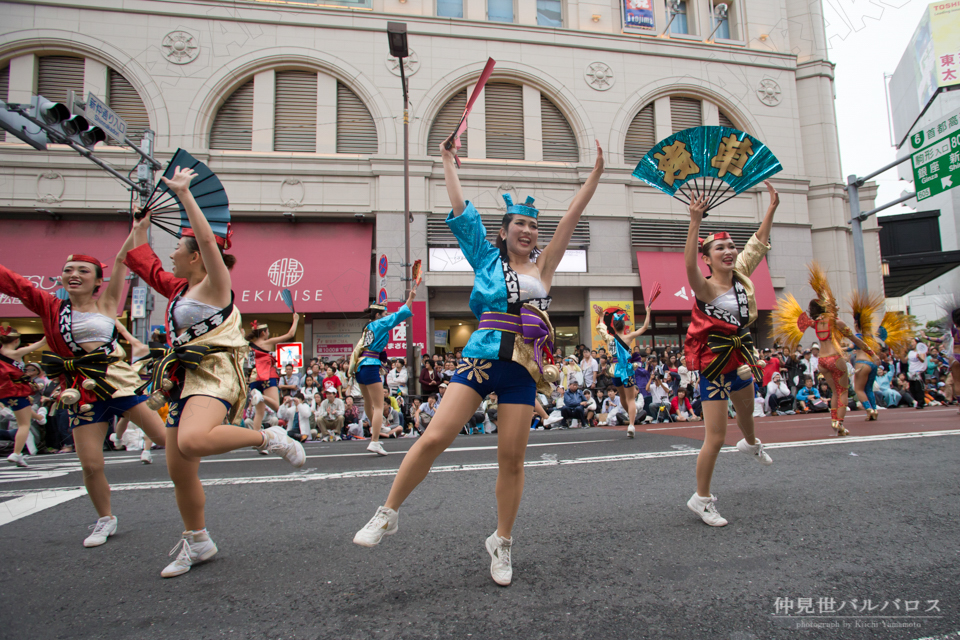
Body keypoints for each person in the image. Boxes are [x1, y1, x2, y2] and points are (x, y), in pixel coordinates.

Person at [353, 137, 605, 587]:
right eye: (519, 224)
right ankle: (387, 512)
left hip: (522, 373)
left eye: (532, 225)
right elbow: (461, 209)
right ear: (504, 230)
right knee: (435, 437)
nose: (527, 231)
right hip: (480, 361)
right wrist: (449, 162)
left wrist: (597, 175)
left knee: (511, 460)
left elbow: (572, 216)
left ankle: (502, 542)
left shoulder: (543, 268)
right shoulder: (486, 258)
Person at [122, 167, 304, 577]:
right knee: (179, 468)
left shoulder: (216, 286)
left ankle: (268, 436)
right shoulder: (179, 290)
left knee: (193, 440)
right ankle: (198, 539)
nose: (171, 255)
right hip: (180, 379)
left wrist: (186, 196)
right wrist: (139, 227)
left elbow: (207, 239)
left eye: (177, 249)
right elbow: (146, 264)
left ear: (196, 258)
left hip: (214, 373)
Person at [1, 242, 169, 546]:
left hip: (116, 384)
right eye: (68, 270)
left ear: (97, 281)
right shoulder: (50, 306)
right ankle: (105, 518)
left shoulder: (107, 305)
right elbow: (17, 285)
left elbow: (121, 259)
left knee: (165, 439)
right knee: (91, 464)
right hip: (80, 392)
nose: (73, 274)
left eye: (82, 270)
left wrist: (140, 226)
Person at [683, 181, 780, 528]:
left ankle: (751, 443)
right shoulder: (705, 286)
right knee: (717, 436)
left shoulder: (741, 277)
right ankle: (702, 499)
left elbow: (758, 244)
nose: (728, 251)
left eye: (730, 246)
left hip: (742, 358)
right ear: (707, 258)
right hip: (714, 364)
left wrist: (771, 209)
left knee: (748, 414)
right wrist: (695, 220)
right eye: (719, 248)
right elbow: (689, 265)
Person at [348, 290, 416, 456]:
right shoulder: (380, 324)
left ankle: (375, 429)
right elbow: (400, 315)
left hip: (360, 366)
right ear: (378, 315)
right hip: (371, 365)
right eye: (384, 313)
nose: (387, 315)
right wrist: (410, 298)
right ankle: (375, 441)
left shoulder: (368, 327)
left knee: (368, 402)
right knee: (379, 406)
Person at [597, 303, 653, 439]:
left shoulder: (610, 338)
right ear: (624, 326)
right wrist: (648, 312)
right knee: (631, 398)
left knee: (622, 396)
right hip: (627, 369)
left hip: (615, 370)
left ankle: (630, 417)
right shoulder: (629, 337)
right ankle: (632, 424)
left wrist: (601, 316)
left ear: (614, 327)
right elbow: (645, 327)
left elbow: (601, 328)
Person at [0, 328, 48, 467]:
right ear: (16, 340)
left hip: (5, 392)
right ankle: (16, 453)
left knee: (24, 410)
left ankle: (40, 418)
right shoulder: (15, 353)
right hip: (15, 391)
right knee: (24, 424)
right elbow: (40, 343)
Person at [246, 313, 300, 431]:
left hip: (254, 377)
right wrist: (296, 320)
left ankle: (256, 438)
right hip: (266, 375)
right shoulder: (267, 343)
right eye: (268, 331)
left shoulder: (249, 345)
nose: (269, 333)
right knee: (276, 406)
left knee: (259, 413)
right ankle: (260, 396)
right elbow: (290, 334)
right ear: (264, 332)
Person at [906, 338, 927, 411]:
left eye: (912, 342)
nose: (911, 343)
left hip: (918, 372)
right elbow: (904, 360)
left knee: (919, 388)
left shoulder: (921, 351)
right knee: (912, 389)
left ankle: (921, 403)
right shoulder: (910, 352)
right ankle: (920, 401)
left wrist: (919, 357)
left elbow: (922, 360)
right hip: (911, 372)